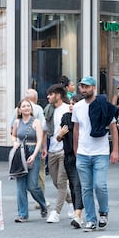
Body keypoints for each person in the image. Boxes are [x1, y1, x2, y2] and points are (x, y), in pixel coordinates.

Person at [72, 76, 119, 231]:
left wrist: (115, 150)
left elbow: (113, 127)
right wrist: (76, 150)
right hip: (83, 152)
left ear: (94, 88)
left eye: (86, 87)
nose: (83, 90)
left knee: (100, 185)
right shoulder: (78, 107)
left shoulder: (103, 105)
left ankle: (103, 212)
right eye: (81, 87)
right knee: (86, 188)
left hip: (101, 152)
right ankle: (91, 219)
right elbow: (77, 129)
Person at [9, 89, 48, 208]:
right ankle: (22, 214)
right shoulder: (17, 122)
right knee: (20, 186)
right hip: (20, 152)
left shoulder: (36, 122)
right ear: (19, 109)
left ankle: (42, 203)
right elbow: (13, 134)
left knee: (32, 185)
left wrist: (36, 153)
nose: (26, 108)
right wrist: (14, 142)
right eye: (23, 106)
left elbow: (40, 138)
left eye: (28, 106)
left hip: (33, 151)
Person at [44, 84, 74, 223]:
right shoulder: (48, 111)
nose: (48, 97)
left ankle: (56, 212)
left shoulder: (67, 109)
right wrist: (44, 147)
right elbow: (45, 130)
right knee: (56, 182)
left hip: (64, 150)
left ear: (58, 95)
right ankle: (72, 202)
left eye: (51, 94)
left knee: (61, 182)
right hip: (52, 150)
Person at [56, 94, 84, 228]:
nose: (71, 105)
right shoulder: (66, 117)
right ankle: (77, 211)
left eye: (75, 103)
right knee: (73, 185)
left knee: (78, 183)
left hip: (82, 154)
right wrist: (60, 135)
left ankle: (78, 215)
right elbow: (59, 136)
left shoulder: (85, 117)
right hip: (68, 155)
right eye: (71, 103)